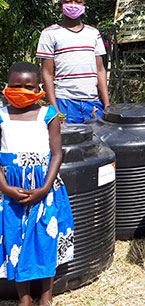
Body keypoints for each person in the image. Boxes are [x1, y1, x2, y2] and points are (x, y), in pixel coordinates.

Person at [0, 62, 75, 306]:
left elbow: (57, 154)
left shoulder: (49, 114)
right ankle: (24, 297)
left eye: (28, 87)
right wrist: (5, 187)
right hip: (11, 191)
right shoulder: (1, 115)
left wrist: (44, 188)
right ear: (6, 87)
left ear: (39, 88)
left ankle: (46, 295)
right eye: (15, 86)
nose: (22, 90)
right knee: (15, 240)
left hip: (46, 188)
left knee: (45, 238)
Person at [37, 0, 110, 123]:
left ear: (84, 5)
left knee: (97, 141)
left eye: (78, 2)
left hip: (92, 102)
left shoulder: (93, 33)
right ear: (60, 5)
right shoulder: (49, 33)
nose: (73, 5)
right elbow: (47, 73)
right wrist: (54, 107)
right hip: (65, 102)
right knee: (67, 142)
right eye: (68, 1)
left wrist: (106, 104)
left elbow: (100, 70)